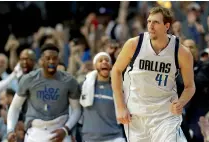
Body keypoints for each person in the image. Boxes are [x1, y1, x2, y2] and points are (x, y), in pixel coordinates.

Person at [111, 6, 195, 142]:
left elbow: (190, 87)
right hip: (136, 114)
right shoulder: (134, 44)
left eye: (155, 22)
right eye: (149, 22)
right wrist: (120, 107)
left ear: (167, 26)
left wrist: (181, 102)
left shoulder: (181, 52)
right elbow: (116, 71)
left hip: (165, 115)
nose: (150, 26)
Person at [7, 44, 82, 142]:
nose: (51, 61)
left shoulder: (69, 81)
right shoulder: (29, 79)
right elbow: (15, 107)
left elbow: (76, 110)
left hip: (60, 131)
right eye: (48, 58)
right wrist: (10, 130)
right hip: (35, 133)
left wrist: (66, 129)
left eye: (54, 58)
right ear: (41, 60)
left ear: (58, 60)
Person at [80, 52, 125, 142]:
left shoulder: (119, 87)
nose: (104, 62)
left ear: (111, 66)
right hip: (90, 138)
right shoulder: (83, 86)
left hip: (115, 137)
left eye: (107, 60)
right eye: (100, 60)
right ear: (94, 66)